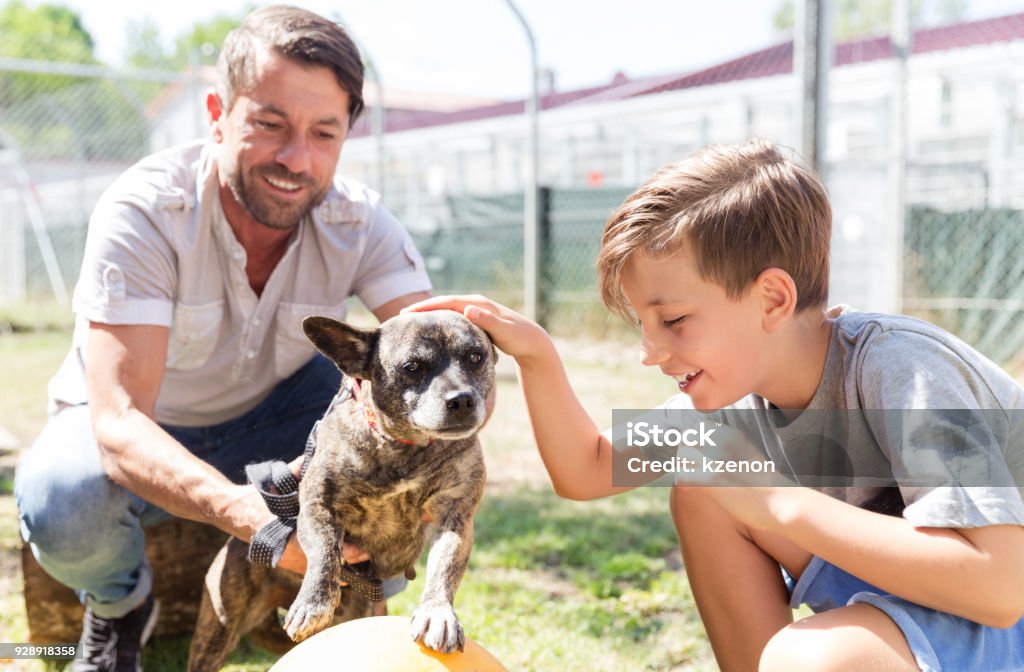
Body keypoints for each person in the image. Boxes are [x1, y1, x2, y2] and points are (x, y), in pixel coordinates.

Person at [406, 139, 1024, 671]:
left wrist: (781, 504)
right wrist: (537, 354)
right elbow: (588, 469)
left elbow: (999, 586)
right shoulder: (739, 391)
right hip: (931, 603)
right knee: (704, 485)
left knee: (805, 658)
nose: (651, 351)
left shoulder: (899, 366)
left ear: (772, 300)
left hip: (1005, 608)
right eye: (644, 325)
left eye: (673, 320)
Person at [15, 6, 432, 671]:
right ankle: (121, 609)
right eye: (270, 124)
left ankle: (324, 604)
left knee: (402, 433)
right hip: (136, 423)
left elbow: (433, 359)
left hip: (278, 420)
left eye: (324, 133)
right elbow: (120, 422)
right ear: (218, 111)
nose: (297, 159)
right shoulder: (148, 209)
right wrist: (258, 522)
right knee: (62, 501)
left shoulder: (361, 220)